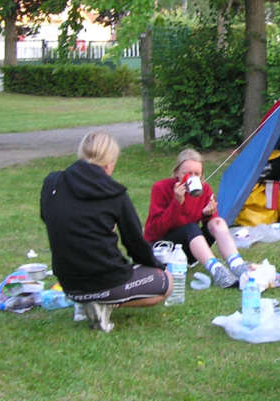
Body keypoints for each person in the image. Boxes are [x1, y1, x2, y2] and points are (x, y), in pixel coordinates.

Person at [40, 130, 173, 332]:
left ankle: (85, 304)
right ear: (109, 163)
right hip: (106, 278)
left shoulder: (53, 182)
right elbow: (135, 245)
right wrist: (158, 267)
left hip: (68, 283)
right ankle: (103, 303)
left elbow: (47, 216)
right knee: (167, 283)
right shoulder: (114, 193)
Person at [144, 148, 247, 287]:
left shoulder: (204, 189)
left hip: (185, 250)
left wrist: (208, 214)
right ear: (176, 173)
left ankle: (238, 265)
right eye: (187, 173)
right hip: (161, 249)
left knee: (217, 222)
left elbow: (212, 224)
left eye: (197, 174)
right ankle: (217, 271)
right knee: (191, 228)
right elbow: (157, 230)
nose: (192, 178)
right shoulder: (160, 188)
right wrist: (177, 202)